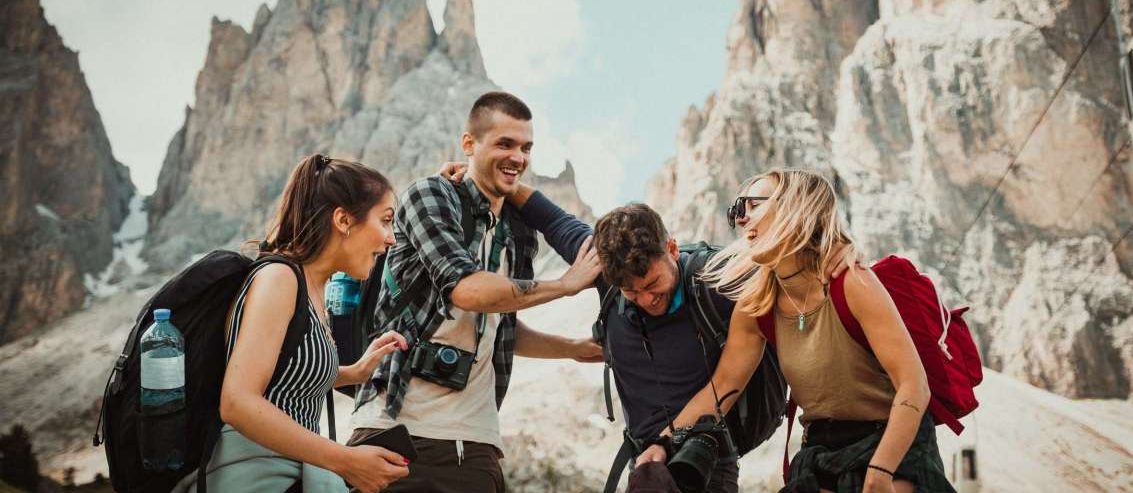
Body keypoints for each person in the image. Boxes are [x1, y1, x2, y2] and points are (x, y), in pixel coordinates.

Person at [432, 170, 856, 493]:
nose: (645, 300)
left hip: (707, 455)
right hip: (644, 461)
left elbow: (792, 252)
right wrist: (485, 176)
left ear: (672, 249)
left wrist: (840, 248)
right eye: (630, 293)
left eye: (653, 285)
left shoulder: (718, 279)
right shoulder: (607, 273)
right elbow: (551, 219)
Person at [349, 92, 603, 493]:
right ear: (468, 144)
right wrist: (564, 286)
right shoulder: (429, 195)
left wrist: (572, 348)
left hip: (478, 446)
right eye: (504, 144)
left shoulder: (518, 232)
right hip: (397, 432)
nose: (518, 157)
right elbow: (466, 291)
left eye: (526, 148)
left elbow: (499, 323)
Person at [643, 168, 954, 493]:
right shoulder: (756, 306)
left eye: (752, 205)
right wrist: (663, 443)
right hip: (820, 449)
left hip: (892, 442)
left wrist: (881, 471)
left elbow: (914, 384)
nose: (741, 220)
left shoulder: (851, 282)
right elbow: (721, 389)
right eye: (737, 210)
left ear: (794, 205)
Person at [181, 153, 412, 493]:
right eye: (385, 220)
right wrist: (346, 460)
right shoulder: (280, 278)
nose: (391, 239)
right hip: (255, 477)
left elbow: (285, 375)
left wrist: (354, 371)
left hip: (289, 474)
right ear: (344, 220)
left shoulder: (314, 288)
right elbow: (237, 401)